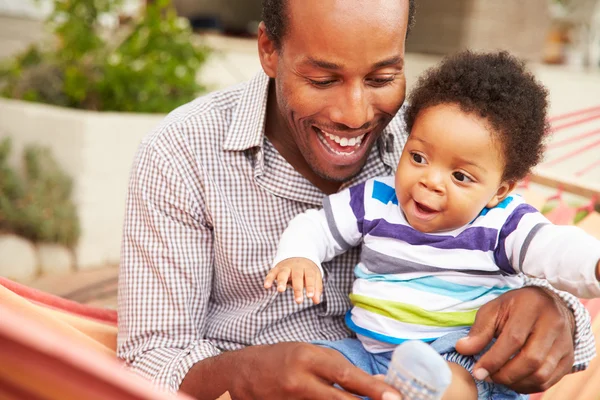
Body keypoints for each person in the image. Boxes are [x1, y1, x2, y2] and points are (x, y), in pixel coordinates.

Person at [117, 1, 596, 399]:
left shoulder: (442, 137)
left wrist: (557, 310)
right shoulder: (182, 153)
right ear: (268, 49)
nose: (354, 114)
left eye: (383, 78)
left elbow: (524, 247)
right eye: (323, 80)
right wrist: (242, 375)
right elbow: (150, 357)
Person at [263, 50, 600, 399]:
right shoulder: (378, 199)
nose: (431, 181)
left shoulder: (503, 223)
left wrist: (595, 264)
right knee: (317, 366)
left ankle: (425, 389)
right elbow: (317, 226)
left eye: (460, 176)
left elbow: (556, 248)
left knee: (455, 382)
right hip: (369, 353)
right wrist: (300, 256)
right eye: (419, 157)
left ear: (499, 191)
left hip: (461, 354)